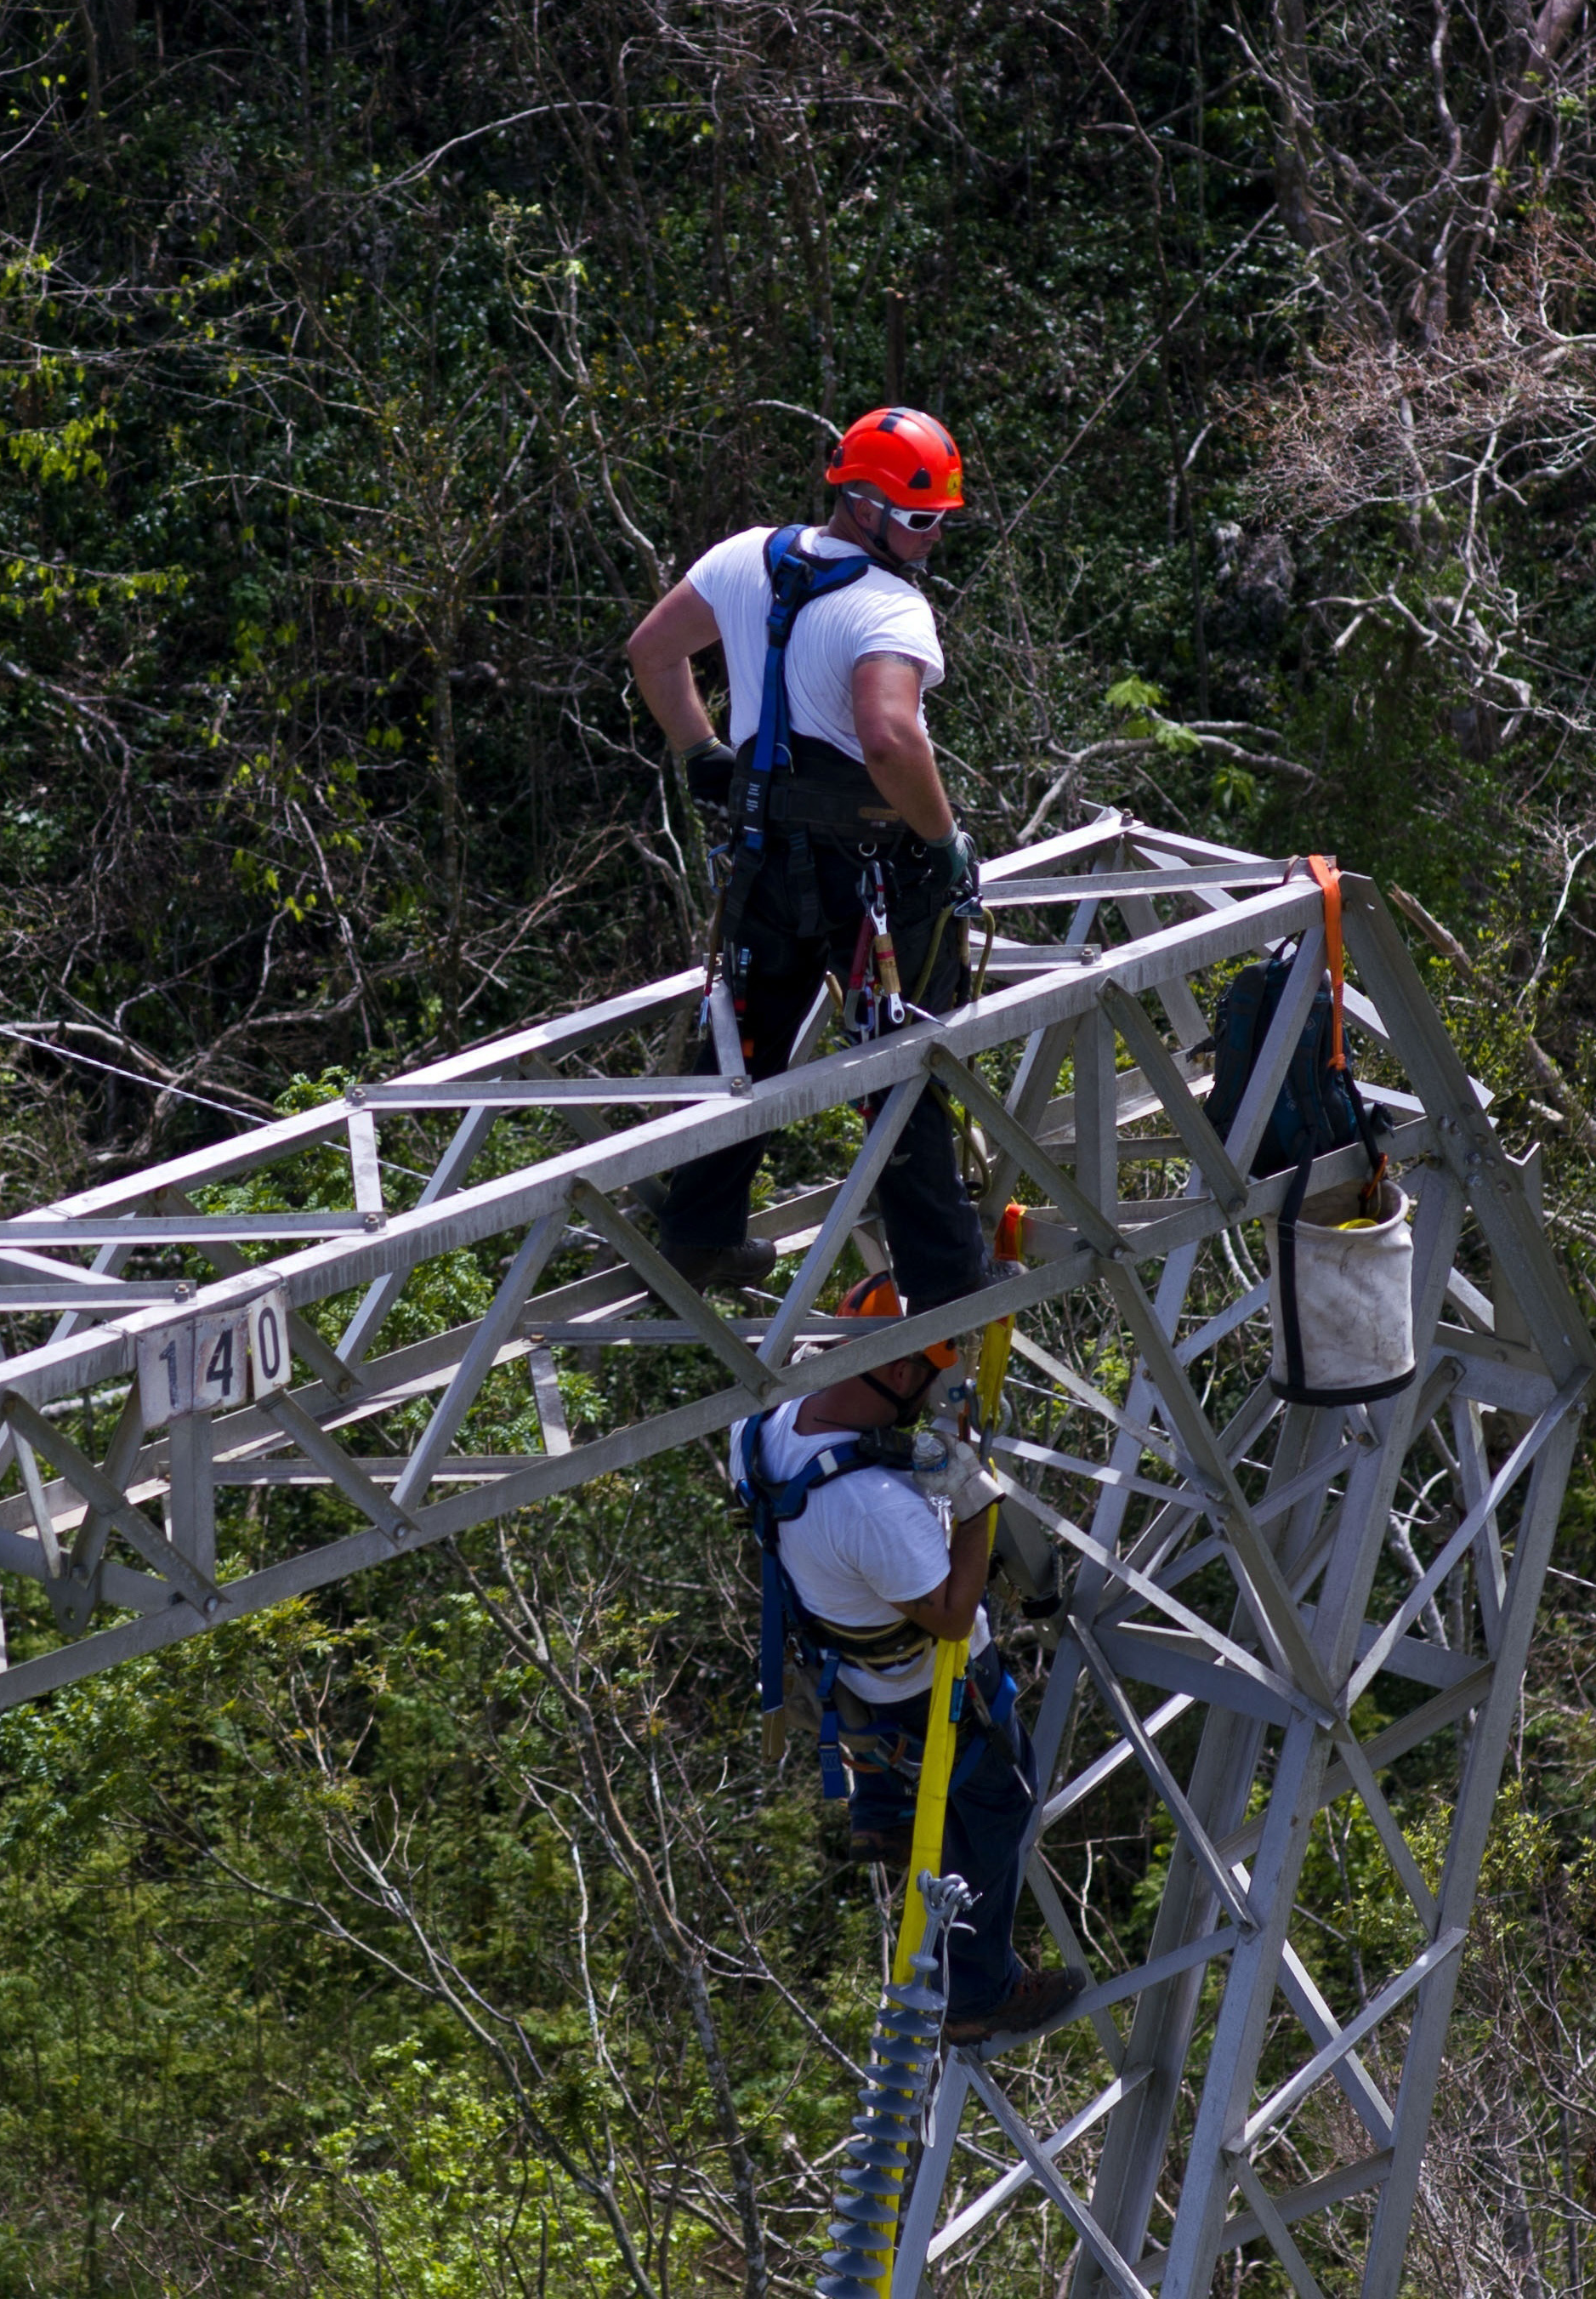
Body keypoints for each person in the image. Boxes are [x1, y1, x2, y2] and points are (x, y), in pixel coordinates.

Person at [626, 406, 991, 1302]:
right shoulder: (886, 606)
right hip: (871, 877)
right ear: (860, 505)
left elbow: (652, 651)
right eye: (917, 519)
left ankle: (698, 1233)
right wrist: (942, 843)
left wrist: (700, 752)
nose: (931, 539)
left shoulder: (745, 556)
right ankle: (943, 1278)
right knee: (901, 1064)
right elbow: (890, 739)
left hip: (762, 859)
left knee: (744, 1050)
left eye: (940, 519)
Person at [735, 1283, 1082, 2046]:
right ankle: (978, 1995)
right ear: (897, 1374)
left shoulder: (769, 1422)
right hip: (924, 1682)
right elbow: (954, 1614)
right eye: (932, 1381)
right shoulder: (872, 1510)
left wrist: (929, 1448)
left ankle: (882, 1810)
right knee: (999, 1806)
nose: (937, 1400)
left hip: (847, 1660)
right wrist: (975, 1502)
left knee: (883, 1710)